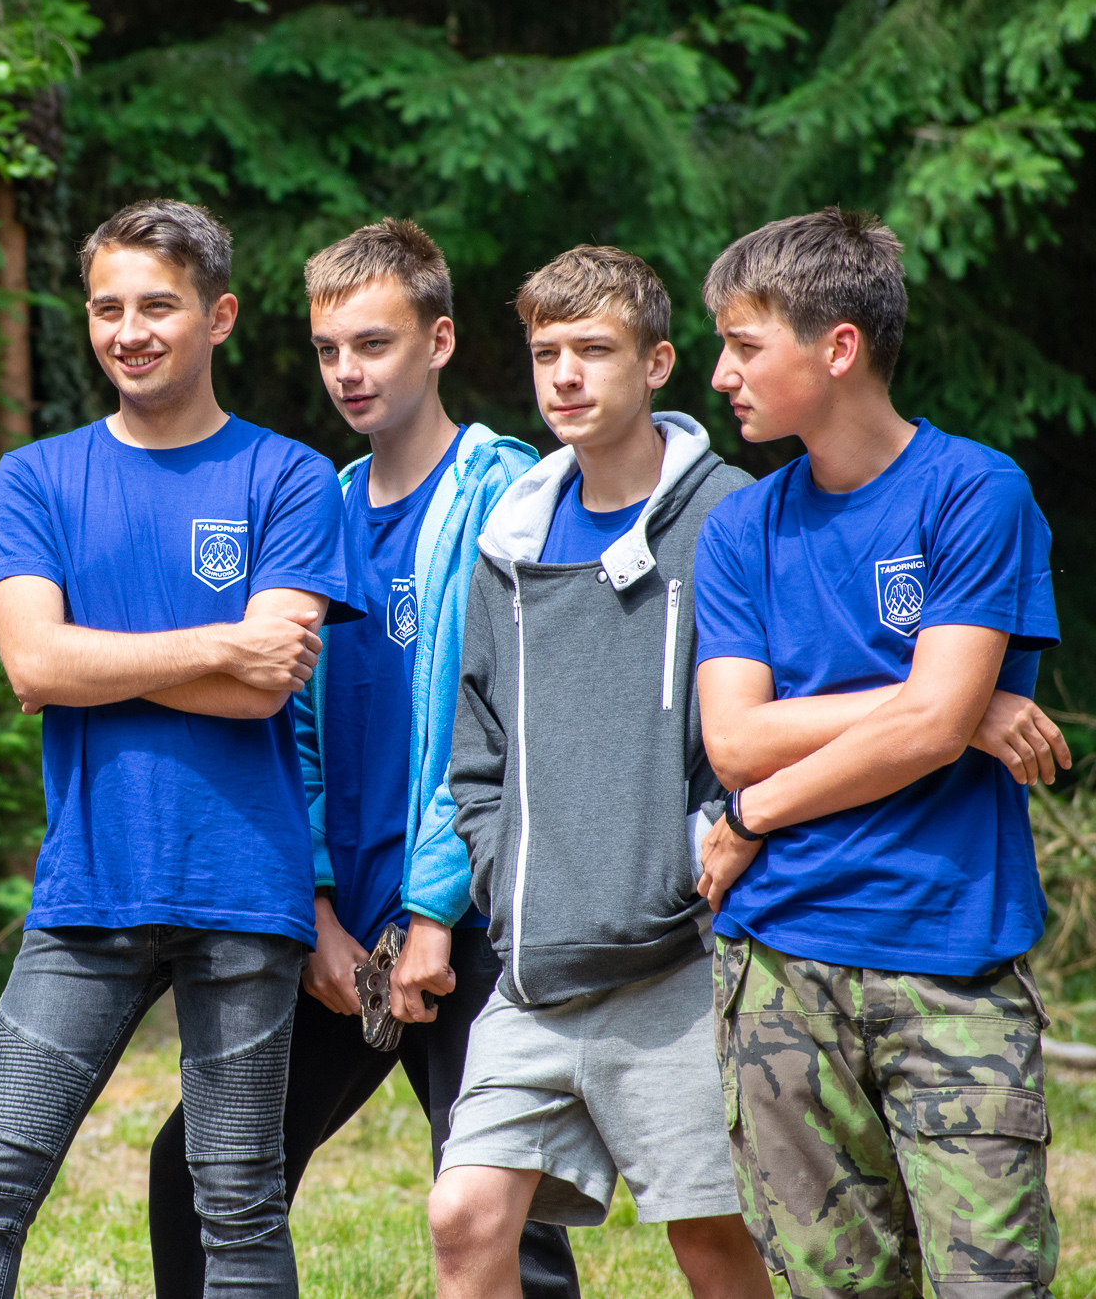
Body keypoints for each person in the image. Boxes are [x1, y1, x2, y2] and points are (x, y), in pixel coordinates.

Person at [0, 199, 355, 1299]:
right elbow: (31, 667)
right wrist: (218, 641)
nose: (129, 331)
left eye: (157, 306)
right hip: (89, 886)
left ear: (220, 316)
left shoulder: (289, 477)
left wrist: (96, 655)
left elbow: (266, 687)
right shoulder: (37, 477)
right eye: (107, 308)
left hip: (244, 890)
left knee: (239, 1206)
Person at [143, 218, 578, 1299]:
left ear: (438, 341)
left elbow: (508, 723)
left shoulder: (508, 493)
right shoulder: (322, 506)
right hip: (344, 932)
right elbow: (288, 727)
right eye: (329, 348)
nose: (347, 371)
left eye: (374, 344)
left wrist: (431, 915)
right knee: (191, 1166)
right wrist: (320, 914)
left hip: (469, 924)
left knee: (498, 1220)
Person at [694, 208, 1069, 1298]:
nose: (721, 374)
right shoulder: (740, 529)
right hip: (778, 970)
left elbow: (922, 734)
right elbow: (735, 738)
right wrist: (937, 699)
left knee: (991, 1285)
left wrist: (755, 815)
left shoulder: (974, 491)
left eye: (745, 344)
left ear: (839, 347)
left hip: (947, 961)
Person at [429, 246, 769, 1299]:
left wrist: (702, 847)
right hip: (534, 966)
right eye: (546, 355)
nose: (565, 376)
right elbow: (475, 750)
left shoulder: (730, 514)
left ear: (656, 363)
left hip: (678, 961)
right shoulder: (508, 541)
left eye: (594, 350)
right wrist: (503, 874)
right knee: (462, 1215)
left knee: (710, 1240)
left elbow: (780, 709)